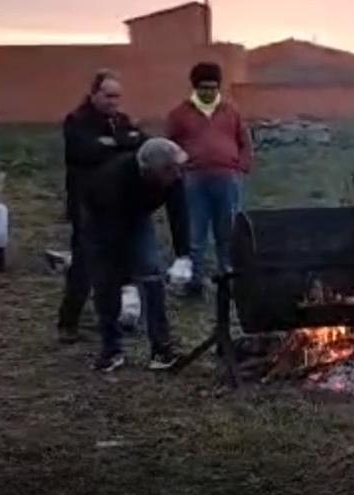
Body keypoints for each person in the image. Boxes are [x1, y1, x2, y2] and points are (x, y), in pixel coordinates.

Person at [80, 138, 191, 372]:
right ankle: (111, 350)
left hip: (138, 215)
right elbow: (113, 238)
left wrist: (183, 255)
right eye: (171, 170)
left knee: (152, 274)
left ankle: (161, 349)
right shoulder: (113, 182)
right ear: (152, 171)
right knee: (106, 283)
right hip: (101, 222)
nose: (178, 174)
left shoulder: (173, 175)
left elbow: (179, 212)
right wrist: (126, 283)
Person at [56, 69, 146, 343]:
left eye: (117, 96)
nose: (113, 102)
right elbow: (84, 151)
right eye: (108, 96)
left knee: (119, 264)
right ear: (94, 94)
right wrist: (121, 143)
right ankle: (68, 323)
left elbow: (141, 142)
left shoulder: (121, 121)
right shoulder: (77, 121)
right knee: (83, 265)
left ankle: (113, 319)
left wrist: (114, 142)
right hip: (86, 205)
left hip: (117, 204)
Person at [166, 62, 253, 297]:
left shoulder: (231, 111)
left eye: (213, 87)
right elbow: (169, 146)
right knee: (196, 232)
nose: (208, 92)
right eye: (204, 87)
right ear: (195, 87)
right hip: (194, 180)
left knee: (228, 230)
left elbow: (244, 140)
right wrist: (178, 171)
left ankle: (228, 277)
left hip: (227, 178)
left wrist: (241, 166)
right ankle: (195, 281)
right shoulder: (179, 114)